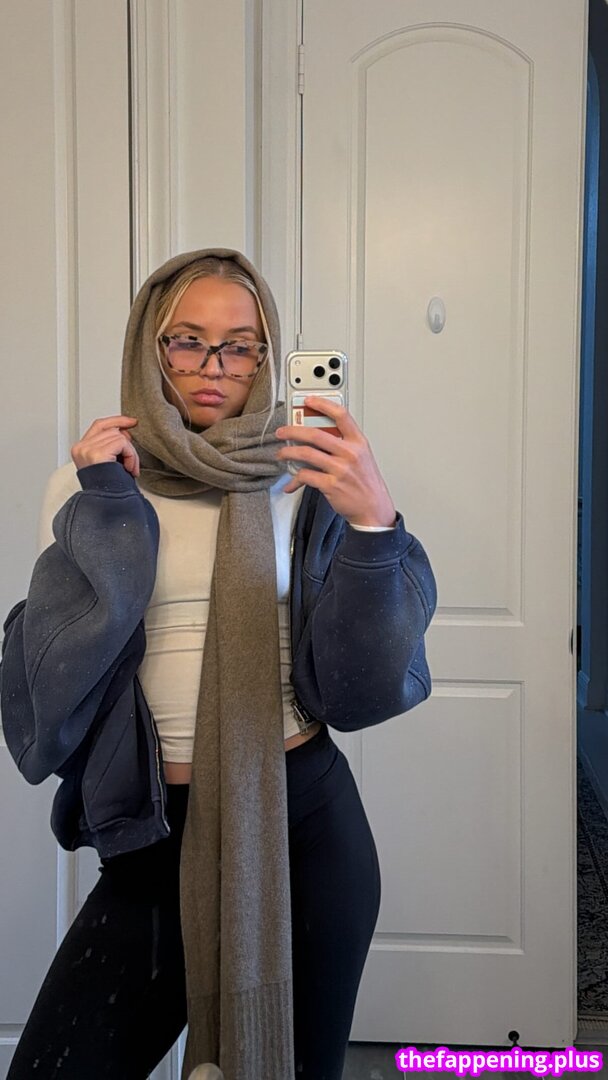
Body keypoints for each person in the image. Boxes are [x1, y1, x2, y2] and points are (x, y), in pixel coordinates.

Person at [0, 248, 437, 1080]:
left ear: (267, 356)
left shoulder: (308, 478)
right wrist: (108, 509)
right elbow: (50, 691)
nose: (214, 368)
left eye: (240, 346)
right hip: (155, 834)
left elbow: (364, 688)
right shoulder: (90, 480)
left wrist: (375, 524)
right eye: (188, 342)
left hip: (304, 825)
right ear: (150, 346)